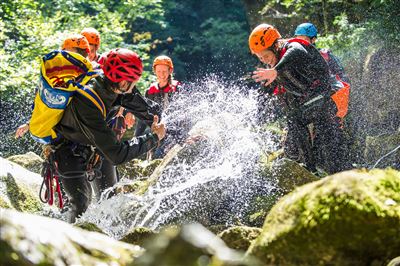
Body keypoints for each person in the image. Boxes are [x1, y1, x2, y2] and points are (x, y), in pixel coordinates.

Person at [52, 48, 166, 222]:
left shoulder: (113, 84)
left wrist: (155, 120)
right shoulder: (87, 101)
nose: (134, 86)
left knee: (110, 199)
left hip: (96, 146)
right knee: (80, 203)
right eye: (133, 82)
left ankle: (106, 239)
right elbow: (117, 154)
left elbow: (137, 103)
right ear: (122, 83)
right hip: (67, 148)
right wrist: (153, 138)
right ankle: (65, 238)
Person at [249, 23, 350, 174]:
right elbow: (269, 93)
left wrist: (275, 71)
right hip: (311, 103)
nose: (265, 60)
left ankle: (339, 175)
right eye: (261, 58)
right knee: (293, 124)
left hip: (328, 97)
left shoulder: (294, 46)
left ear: (275, 46)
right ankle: (311, 170)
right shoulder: (275, 66)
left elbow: (297, 53)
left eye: (266, 56)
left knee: (330, 147)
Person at [15, 34, 91, 139]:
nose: (64, 55)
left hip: (79, 134)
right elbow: (42, 105)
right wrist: (29, 124)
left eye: (67, 52)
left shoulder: (91, 80)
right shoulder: (52, 78)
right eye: (63, 51)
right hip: (58, 134)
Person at [294, 22, 351, 120]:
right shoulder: (294, 57)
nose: (301, 42)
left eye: (304, 39)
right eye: (298, 39)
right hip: (311, 96)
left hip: (330, 93)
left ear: (313, 39)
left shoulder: (325, 55)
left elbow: (341, 74)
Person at [135, 55, 183, 158]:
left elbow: (181, 113)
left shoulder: (177, 88)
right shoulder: (150, 91)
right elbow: (144, 114)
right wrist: (136, 136)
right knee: (149, 153)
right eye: (159, 71)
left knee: (159, 154)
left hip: (173, 130)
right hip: (157, 130)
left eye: (164, 71)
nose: (161, 74)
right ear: (155, 71)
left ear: (170, 71)